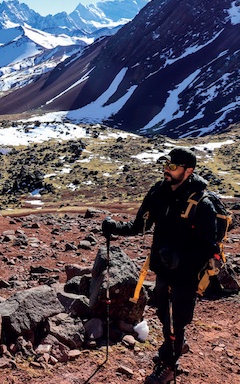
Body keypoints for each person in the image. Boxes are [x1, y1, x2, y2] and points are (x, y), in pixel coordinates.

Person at [102, 147, 218, 384]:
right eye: (166, 164)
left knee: (177, 319)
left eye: (173, 166)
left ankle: (169, 366)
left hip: (186, 273)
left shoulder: (202, 203)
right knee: (165, 314)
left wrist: (180, 258)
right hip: (162, 268)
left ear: (188, 171)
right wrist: (115, 228)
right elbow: (140, 225)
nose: (167, 169)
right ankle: (173, 345)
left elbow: (209, 247)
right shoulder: (158, 192)